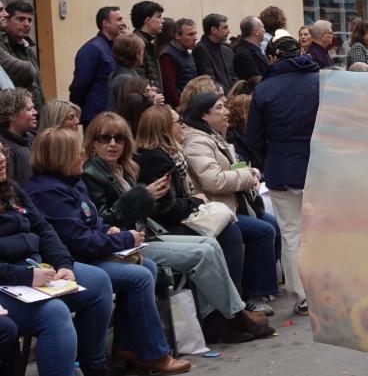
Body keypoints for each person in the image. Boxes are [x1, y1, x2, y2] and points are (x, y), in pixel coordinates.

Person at [81, 112, 271, 343]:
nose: (112, 144)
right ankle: (232, 315)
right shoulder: (93, 173)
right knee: (206, 249)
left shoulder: (125, 168)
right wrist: (145, 195)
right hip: (126, 245)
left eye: (118, 138)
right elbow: (105, 220)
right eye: (104, 138)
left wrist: (153, 197)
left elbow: (153, 207)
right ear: (93, 141)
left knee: (212, 242)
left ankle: (225, 315)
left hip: (144, 236)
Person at [24, 128, 191, 374]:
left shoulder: (72, 181)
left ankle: (131, 346)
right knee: (139, 275)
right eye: (76, 152)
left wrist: (109, 229)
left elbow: (90, 220)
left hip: (88, 252)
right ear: (60, 157)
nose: (82, 155)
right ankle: (142, 354)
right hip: (71, 260)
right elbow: (77, 240)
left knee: (148, 266)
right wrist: (123, 238)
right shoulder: (47, 192)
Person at [0, 143, 114, 376]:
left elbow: (43, 228)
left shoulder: (11, 188)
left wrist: (63, 263)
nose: (2, 158)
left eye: (1, 151)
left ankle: (93, 366)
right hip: (8, 280)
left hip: (37, 266)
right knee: (54, 314)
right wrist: (25, 276)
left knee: (98, 282)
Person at [134, 105, 250, 320]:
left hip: (171, 220)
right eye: (179, 122)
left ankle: (229, 310)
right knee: (224, 236)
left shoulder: (168, 155)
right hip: (161, 228)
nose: (183, 126)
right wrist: (194, 202)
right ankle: (229, 313)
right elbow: (164, 209)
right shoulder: (156, 159)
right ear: (164, 128)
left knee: (229, 232)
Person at [182, 93, 280, 315]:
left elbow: (228, 168)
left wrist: (247, 171)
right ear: (204, 115)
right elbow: (213, 180)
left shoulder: (213, 136)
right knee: (262, 230)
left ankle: (256, 288)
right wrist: (246, 176)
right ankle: (252, 295)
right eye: (219, 108)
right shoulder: (197, 142)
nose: (226, 112)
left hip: (232, 205)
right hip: (216, 210)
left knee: (271, 224)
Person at [247, 33, 319, 315]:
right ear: (301, 51)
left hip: (282, 169)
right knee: (320, 233)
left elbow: (253, 137)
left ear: (273, 57)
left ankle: (302, 295)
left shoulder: (265, 90)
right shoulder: (320, 81)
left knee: (291, 234)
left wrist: (269, 159)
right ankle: (326, 287)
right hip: (320, 169)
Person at [70, 6, 125, 126]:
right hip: (96, 116)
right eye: (119, 19)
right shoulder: (92, 49)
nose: (123, 23)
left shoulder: (114, 47)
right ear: (105, 23)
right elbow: (80, 84)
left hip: (112, 114)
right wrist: (77, 111)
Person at [0, 1, 43, 110]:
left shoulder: (28, 49)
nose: (27, 24)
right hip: (15, 116)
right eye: (20, 19)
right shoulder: (3, 45)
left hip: (33, 114)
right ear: (7, 20)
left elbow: (37, 88)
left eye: (29, 20)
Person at [159, 18, 199, 108]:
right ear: (177, 36)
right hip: (180, 108)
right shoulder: (168, 56)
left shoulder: (188, 53)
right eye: (190, 34)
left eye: (195, 33)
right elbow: (169, 90)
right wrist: (181, 107)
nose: (195, 38)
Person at [0, 88, 37, 185]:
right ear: (11, 115)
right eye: (29, 109)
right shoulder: (5, 148)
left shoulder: (31, 137)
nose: (35, 112)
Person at [193, 14, 237, 94]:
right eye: (225, 28)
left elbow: (231, 75)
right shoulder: (200, 50)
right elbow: (208, 80)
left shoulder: (225, 49)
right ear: (214, 30)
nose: (229, 31)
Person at [130, 1, 165, 87]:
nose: (162, 21)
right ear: (148, 21)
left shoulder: (148, 43)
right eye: (159, 17)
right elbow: (140, 79)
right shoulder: (136, 44)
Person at [107, 33, 146, 111]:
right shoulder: (128, 80)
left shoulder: (116, 74)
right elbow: (132, 109)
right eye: (142, 51)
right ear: (138, 54)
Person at [232, 16, 269, 84]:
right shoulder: (243, 54)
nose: (264, 30)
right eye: (262, 27)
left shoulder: (256, 48)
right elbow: (254, 79)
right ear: (256, 32)